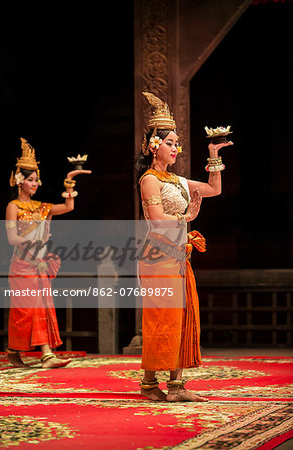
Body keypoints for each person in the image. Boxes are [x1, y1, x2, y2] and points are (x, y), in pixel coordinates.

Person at [135, 92, 233, 401]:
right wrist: (186, 216)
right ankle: (149, 383)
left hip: (177, 256)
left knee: (181, 318)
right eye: (170, 143)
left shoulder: (176, 180)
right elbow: (155, 218)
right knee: (161, 319)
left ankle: (175, 386)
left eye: (178, 143)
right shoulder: (149, 179)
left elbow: (214, 189)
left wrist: (213, 154)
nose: (176, 147)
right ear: (154, 145)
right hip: (157, 256)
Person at [5, 137, 91, 368]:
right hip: (22, 265)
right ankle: (31, 352)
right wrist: (34, 249)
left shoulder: (42, 207)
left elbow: (68, 207)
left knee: (40, 306)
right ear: (19, 181)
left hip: (38, 265)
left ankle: (43, 354)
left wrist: (69, 183)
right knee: (25, 311)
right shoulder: (14, 207)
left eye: (36, 180)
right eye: (31, 180)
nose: (35, 183)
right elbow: (12, 238)